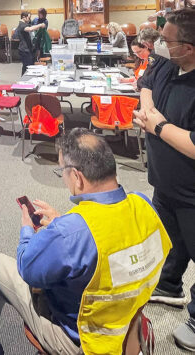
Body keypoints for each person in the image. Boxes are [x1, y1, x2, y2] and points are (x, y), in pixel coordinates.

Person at [0, 128, 171, 355]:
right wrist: (66, 223)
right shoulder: (144, 204)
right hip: (129, 322)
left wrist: (27, 230)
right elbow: (111, 237)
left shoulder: (71, 233)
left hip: (84, 341)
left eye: (61, 171)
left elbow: (28, 269)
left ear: (77, 177)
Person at [133, 8, 195, 351]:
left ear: (187, 47)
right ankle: (170, 286)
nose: (159, 45)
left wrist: (157, 125)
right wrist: (148, 108)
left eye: (166, 40)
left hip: (192, 190)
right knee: (170, 240)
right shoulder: (168, 63)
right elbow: (145, 83)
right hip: (165, 181)